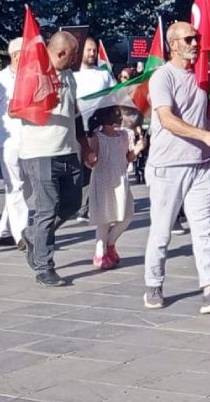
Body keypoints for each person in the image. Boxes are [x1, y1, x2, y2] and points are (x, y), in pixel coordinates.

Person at [142, 22, 210, 314]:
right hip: (168, 165)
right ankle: (153, 285)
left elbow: (208, 113)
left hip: (201, 163)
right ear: (173, 44)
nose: (196, 43)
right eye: (188, 39)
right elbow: (167, 119)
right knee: (162, 230)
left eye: (197, 38)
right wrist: (205, 136)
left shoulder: (202, 73)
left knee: (205, 229)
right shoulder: (162, 77)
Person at [18, 31, 91, 287]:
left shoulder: (69, 75)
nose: (75, 60)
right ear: (60, 53)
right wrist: (43, 102)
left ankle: (32, 235)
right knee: (47, 210)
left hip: (68, 150)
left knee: (72, 203)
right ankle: (44, 267)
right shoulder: (32, 72)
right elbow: (15, 109)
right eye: (72, 55)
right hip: (41, 152)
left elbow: (75, 113)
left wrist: (85, 145)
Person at [0, 38, 26, 248]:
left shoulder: (33, 77)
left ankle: (4, 229)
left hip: (32, 142)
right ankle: (22, 235)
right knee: (16, 187)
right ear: (16, 55)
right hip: (8, 143)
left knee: (26, 189)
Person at [88, 105, 140, 269]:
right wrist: (91, 157)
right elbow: (92, 161)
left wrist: (137, 149)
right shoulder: (97, 137)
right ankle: (100, 253)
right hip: (104, 180)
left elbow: (127, 158)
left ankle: (110, 243)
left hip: (121, 179)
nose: (119, 117)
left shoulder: (124, 135)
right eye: (116, 114)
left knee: (127, 214)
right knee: (104, 218)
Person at [74, 37, 116, 223]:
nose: (92, 53)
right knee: (77, 168)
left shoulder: (104, 75)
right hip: (75, 129)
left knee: (94, 167)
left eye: (94, 50)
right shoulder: (72, 74)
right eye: (88, 50)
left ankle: (87, 206)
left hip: (96, 129)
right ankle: (75, 203)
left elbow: (114, 96)